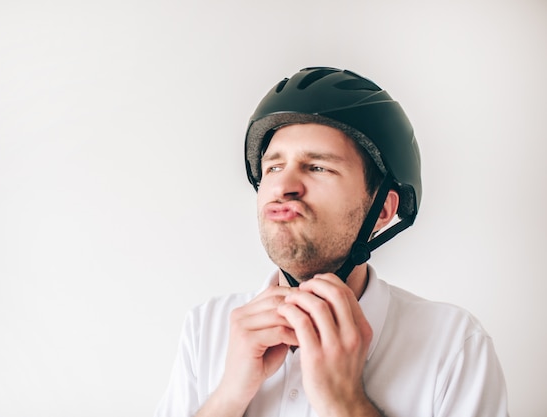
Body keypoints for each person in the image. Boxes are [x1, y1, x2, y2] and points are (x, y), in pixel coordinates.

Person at [154, 67, 509, 416]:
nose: (283, 186)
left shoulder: (454, 346)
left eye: (318, 167)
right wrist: (228, 397)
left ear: (383, 210)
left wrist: (347, 404)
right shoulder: (207, 328)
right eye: (273, 167)